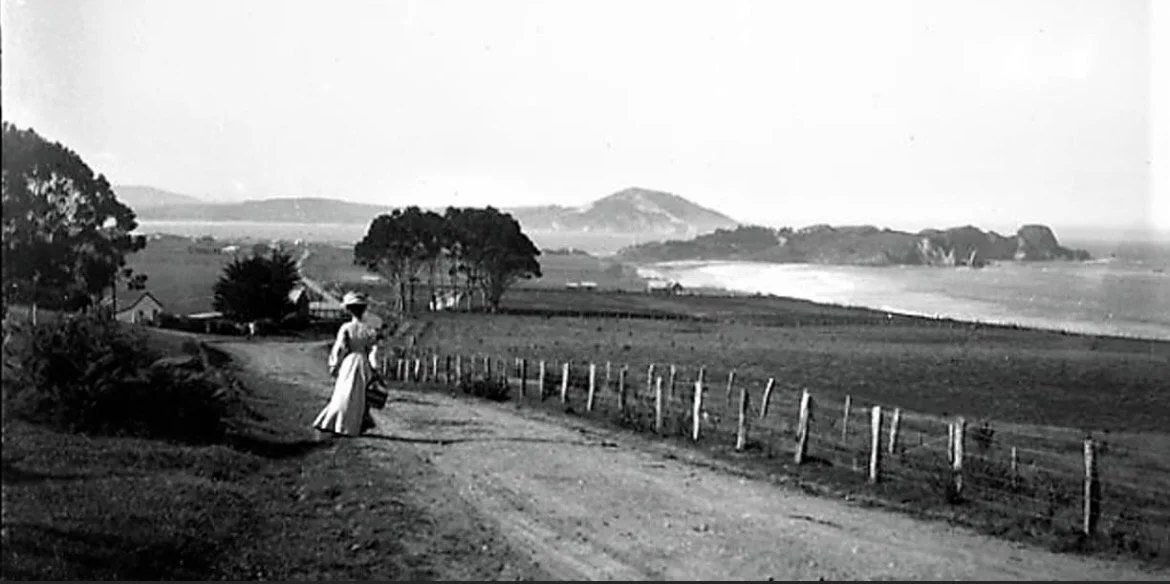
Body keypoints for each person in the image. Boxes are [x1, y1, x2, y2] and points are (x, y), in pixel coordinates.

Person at [312, 291, 383, 437]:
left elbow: (340, 348)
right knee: (359, 396)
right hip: (363, 363)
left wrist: (334, 364)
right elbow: (373, 351)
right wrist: (374, 368)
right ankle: (355, 422)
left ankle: (338, 422)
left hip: (349, 362)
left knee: (344, 393)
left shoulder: (346, 328)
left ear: (349, 310)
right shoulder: (369, 330)